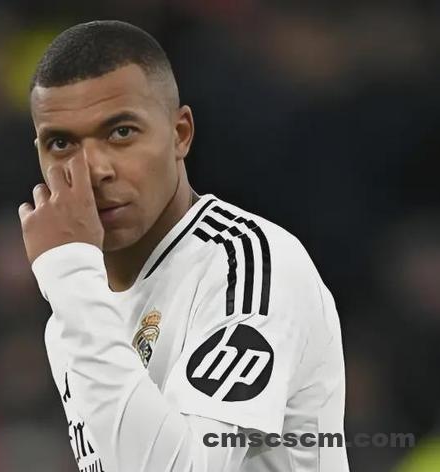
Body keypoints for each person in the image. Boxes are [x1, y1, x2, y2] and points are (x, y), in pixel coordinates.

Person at [18, 20, 349, 472]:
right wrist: (74, 286)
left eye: (120, 133)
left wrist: (70, 276)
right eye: (61, 143)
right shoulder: (73, 313)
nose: (94, 170)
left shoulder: (248, 266)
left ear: (180, 134)